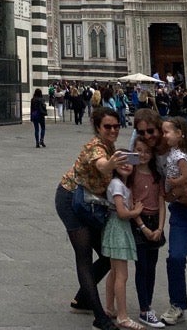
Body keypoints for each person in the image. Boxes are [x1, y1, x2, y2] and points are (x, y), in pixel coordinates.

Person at [131, 109, 187, 330]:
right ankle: (177, 305)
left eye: (151, 131)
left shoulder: (185, 142)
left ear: (160, 128)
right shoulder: (148, 152)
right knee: (176, 257)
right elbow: (154, 187)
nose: (147, 136)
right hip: (182, 208)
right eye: (142, 133)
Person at [55, 106, 132, 330]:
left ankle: (82, 298)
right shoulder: (96, 147)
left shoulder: (110, 146)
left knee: (108, 254)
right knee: (84, 255)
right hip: (70, 199)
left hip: (89, 203)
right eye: (108, 126)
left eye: (116, 126)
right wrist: (111, 165)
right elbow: (102, 164)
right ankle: (100, 317)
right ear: (98, 127)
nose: (113, 130)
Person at [102, 158, 143, 330]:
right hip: (119, 227)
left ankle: (110, 308)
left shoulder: (120, 184)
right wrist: (136, 211)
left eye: (130, 162)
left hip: (116, 228)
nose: (126, 165)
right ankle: (123, 316)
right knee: (121, 274)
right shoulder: (117, 184)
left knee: (114, 272)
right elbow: (121, 212)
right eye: (122, 162)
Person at [130, 136, 166, 328]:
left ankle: (148, 305)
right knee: (142, 267)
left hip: (155, 221)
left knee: (151, 267)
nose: (143, 155)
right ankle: (144, 309)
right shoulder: (131, 173)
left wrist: (160, 227)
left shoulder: (156, 174)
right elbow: (130, 201)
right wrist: (143, 227)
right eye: (139, 150)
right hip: (139, 221)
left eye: (146, 151)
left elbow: (161, 202)